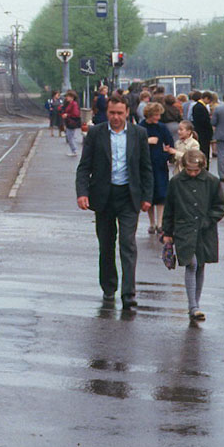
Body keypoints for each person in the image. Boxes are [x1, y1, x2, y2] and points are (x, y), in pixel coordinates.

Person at [76, 96, 153, 309]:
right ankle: (109, 288)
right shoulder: (95, 133)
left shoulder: (139, 134)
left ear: (127, 112)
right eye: (112, 113)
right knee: (106, 245)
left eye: (119, 113)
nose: (116, 117)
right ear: (106, 112)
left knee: (128, 243)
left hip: (129, 196)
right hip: (103, 197)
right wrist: (82, 193)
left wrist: (147, 197)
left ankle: (129, 293)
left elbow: (146, 168)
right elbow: (84, 166)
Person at [161, 148, 224, 322]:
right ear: (183, 167)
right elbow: (169, 207)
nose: (192, 173)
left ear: (202, 167)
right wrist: (167, 232)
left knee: (201, 265)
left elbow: (221, 205)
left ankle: (195, 305)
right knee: (191, 263)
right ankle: (193, 306)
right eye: (188, 170)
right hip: (183, 229)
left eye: (195, 170)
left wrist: (208, 220)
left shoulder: (212, 181)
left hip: (205, 231)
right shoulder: (176, 182)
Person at [140, 102, 175, 235]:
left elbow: (169, 143)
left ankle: (160, 223)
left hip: (159, 164)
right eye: (156, 115)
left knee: (161, 193)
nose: (158, 117)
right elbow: (134, 143)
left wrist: (165, 154)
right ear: (149, 114)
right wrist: (147, 141)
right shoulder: (141, 127)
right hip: (145, 164)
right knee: (149, 194)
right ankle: (151, 223)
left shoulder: (162, 127)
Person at [190, 91, 213, 159]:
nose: (209, 102)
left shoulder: (197, 106)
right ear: (206, 98)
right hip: (203, 133)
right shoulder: (200, 107)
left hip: (200, 132)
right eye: (209, 100)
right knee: (204, 151)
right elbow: (205, 122)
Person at [61, 90, 82, 156]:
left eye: (67, 96)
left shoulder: (73, 104)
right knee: (70, 136)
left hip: (71, 122)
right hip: (69, 122)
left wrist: (67, 115)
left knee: (70, 137)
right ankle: (74, 150)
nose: (66, 98)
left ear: (72, 97)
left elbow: (76, 114)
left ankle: (74, 150)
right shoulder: (71, 103)